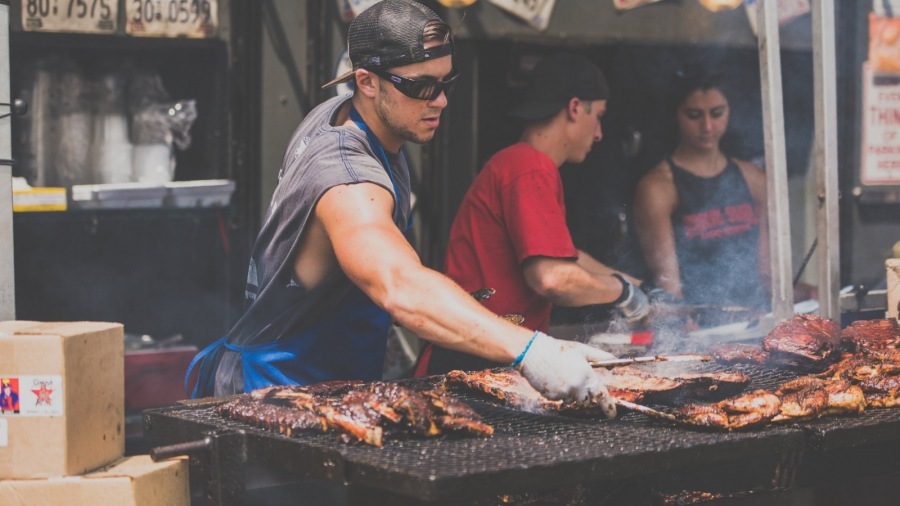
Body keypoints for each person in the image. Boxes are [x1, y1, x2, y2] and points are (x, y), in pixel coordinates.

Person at [186, 0, 619, 416]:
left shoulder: (346, 112)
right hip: (276, 393)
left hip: (330, 386)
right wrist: (531, 349)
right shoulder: (348, 178)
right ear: (367, 81)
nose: (441, 101)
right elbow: (399, 284)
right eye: (421, 87)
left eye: (446, 83)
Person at [416, 52, 651, 376]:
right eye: (598, 116)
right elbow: (552, 278)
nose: (599, 133)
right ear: (574, 108)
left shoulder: (521, 164)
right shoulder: (529, 166)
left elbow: (567, 258)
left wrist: (645, 287)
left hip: (485, 358)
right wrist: (626, 294)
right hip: (474, 364)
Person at [633, 68, 770, 314]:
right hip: (699, 327)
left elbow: (767, 272)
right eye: (694, 115)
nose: (707, 126)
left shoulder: (754, 178)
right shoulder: (659, 187)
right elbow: (668, 285)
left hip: (756, 318)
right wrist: (685, 324)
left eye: (717, 113)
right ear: (676, 115)